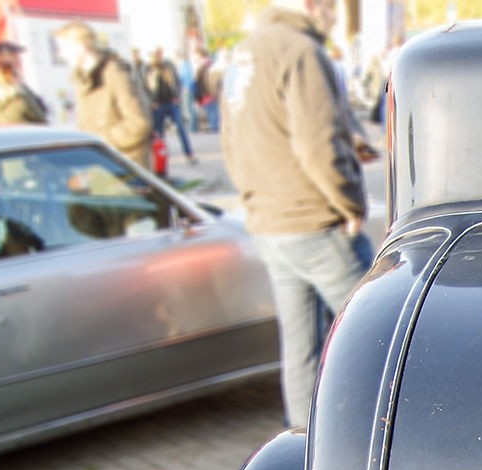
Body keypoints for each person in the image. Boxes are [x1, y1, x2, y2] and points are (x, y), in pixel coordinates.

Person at [222, 0, 369, 428]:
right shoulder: (300, 51)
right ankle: (386, 439)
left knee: (300, 348)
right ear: (312, 6)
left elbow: (231, 138)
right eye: (331, 8)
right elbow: (317, 144)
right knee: (375, 333)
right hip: (313, 219)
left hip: (269, 219)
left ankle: (305, 445)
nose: (334, 16)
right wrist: (350, 204)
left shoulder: (244, 53)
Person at [52, 22, 152, 168]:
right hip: (102, 165)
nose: (60, 54)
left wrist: (96, 141)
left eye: (63, 48)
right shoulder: (82, 78)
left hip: (123, 167)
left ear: (80, 47)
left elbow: (139, 124)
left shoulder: (114, 74)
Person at [0, 40, 49, 124]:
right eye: (14, 54)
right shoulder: (10, 81)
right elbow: (34, 112)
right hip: (21, 130)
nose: (17, 57)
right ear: (2, 56)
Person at [145, 46, 195, 165]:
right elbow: (145, 86)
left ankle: (189, 154)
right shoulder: (149, 68)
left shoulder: (168, 65)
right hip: (158, 104)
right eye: (156, 53)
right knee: (159, 134)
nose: (159, 55)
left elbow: (177, 81)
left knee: (180, 128)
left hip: (172, 102)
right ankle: (160, 160)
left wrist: (177, 96)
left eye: (160, 53)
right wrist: (151, 101)